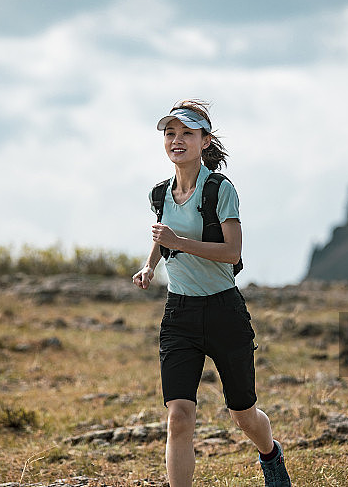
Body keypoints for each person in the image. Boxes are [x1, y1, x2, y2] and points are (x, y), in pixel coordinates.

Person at [132, 100, 291, 487]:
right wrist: (151, 264)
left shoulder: (220, 189)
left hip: (224, 312)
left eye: (187, 133)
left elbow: (232, 252)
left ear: (205, 141)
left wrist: (178, 243)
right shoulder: (160, 193)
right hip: (180, 315)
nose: (177, 140)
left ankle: (270, 455)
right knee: (179, 416)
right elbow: (163, 232)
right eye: (170, 133)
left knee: (243, 414)